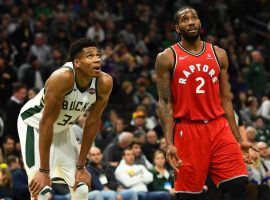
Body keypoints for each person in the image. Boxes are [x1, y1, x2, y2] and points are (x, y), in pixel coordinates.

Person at [155, 6, 257, 200]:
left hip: (219, 127)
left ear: (200, 22)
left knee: (238, 185)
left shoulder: (219, 54)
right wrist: (169, 143)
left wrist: (239, 138)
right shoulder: (167, 57)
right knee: (188, 196)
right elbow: (164, 103)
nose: (191, 21)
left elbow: (226, 99)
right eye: (185, 19)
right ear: (177, 28)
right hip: (188, 130)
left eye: (194, 18)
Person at [17, 38, 113, 200]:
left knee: (81, 187)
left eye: (98, 55)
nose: (97, 59)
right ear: (77, 62)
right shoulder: (62, 78)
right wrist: (44, 171)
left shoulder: (104, 82)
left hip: (62, 128)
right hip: (34, 125)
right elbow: (46, 122)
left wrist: (81, 166)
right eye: (90, 56)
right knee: (41, 190)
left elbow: (92, 122)